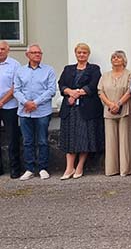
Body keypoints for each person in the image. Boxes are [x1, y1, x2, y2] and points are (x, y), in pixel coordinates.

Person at [58, 43, 104, 179]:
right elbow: (61, 84)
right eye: (79, 52)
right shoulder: (68, 69)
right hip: (70, 109)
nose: (81, 55)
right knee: (70, 138)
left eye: (84, 52)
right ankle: (69, 167)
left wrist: (76, 94)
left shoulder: (94, 69)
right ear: (75, 54)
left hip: (86, 109)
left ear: (88, 54)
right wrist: (70, 92)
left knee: (84, 138)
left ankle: (80, 166)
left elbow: (93, 85)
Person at [13, 44, 56, 180]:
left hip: (42, 111)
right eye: (34, 52)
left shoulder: (49, 70)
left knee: (43, 140)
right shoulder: (20, 71)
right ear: (27, 55)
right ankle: (29, 169)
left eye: (39, 53)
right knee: (27, 141)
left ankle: (43, 168)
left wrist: (35, 103)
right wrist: (26, 102)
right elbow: (16, 90)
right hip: (24, 111)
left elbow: (51, 90)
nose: (38, 55)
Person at [98, 50, 131, 177]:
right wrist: (110, 104)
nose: (115, 59)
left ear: (124, 60)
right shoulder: (105, 75)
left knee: (125, 139)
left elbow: (130, 91)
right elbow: (100, 91)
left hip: (124, 109)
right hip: (109, 111)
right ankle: (112, 169)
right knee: (110, 140)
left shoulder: (129, 74)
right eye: (113, 57)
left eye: (118, 57)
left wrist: (118, 104)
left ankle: (125, 169)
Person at [0, 40, 22, 178]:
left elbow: (16, 86)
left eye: (2, 49)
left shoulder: (15, 65)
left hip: (9, 106)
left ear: (8, 50)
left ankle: (15, 170)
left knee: (12, 138)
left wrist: (2, 101)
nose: (0, 51)